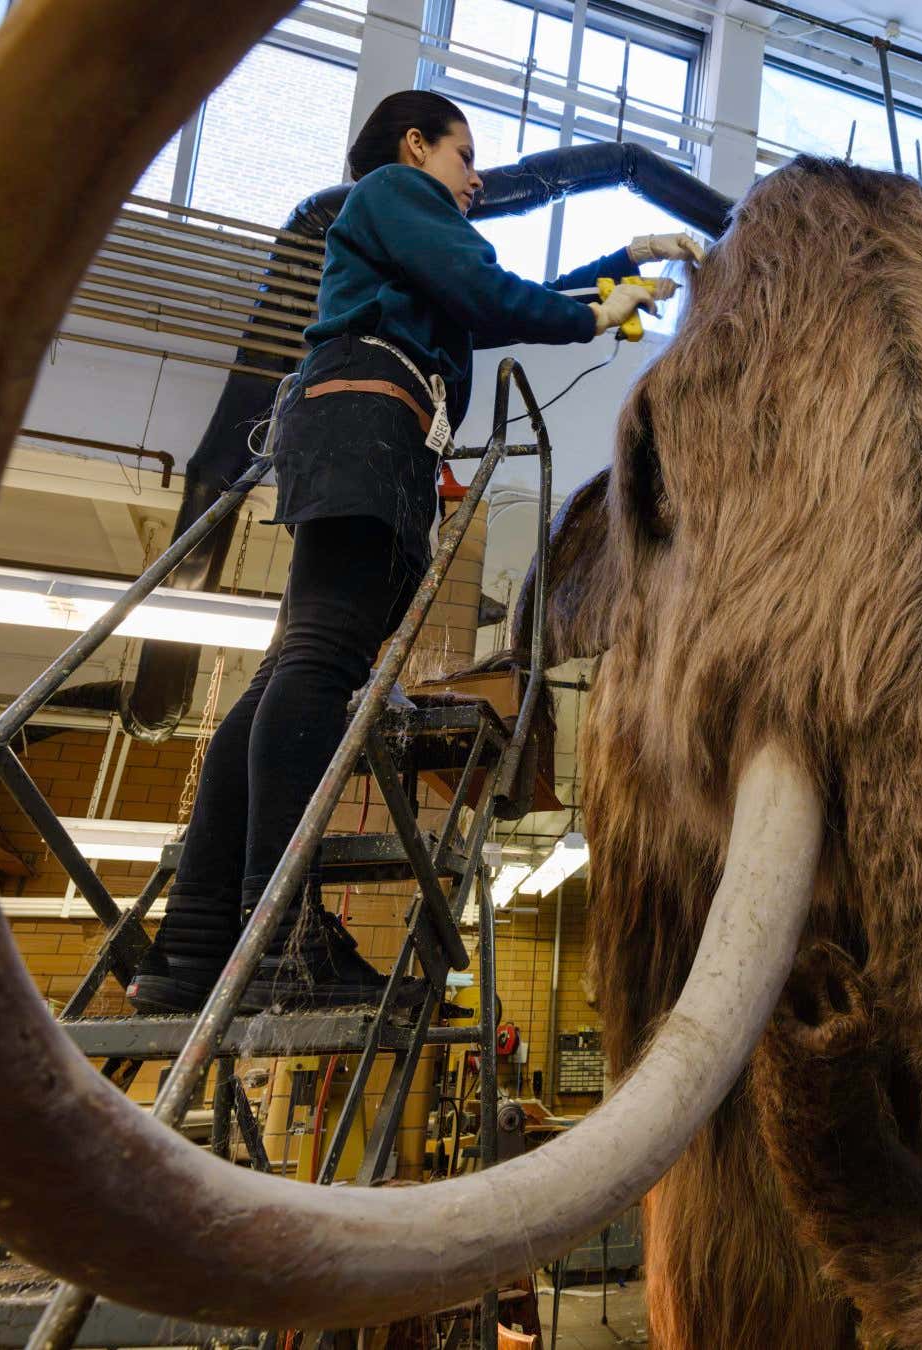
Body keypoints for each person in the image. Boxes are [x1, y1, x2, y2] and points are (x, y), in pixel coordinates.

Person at [128, 90, 704, 1013]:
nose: (475, 177)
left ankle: (197, 939)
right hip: (369, 426)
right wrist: (596, 319)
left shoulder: (404, 230)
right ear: (412, 144)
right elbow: (487, 294)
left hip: (353, 423)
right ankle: (281, 934)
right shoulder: (397, 190)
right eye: (463, 154)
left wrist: (618, 266)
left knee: (295, 662)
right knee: (321, 662)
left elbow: (481, 300)